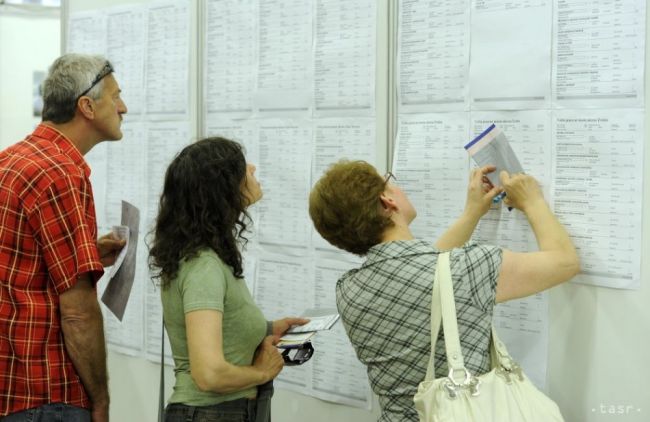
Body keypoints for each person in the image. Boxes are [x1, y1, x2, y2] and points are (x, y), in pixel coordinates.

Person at [309, 160, 580, 422]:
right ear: (387, 201)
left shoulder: (348, 289)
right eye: (390, 183)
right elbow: (564, 262)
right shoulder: (467, 268)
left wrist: (471, 215)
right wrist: (533, 201)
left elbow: (431, 274)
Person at [0, 53, 128, 422]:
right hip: (45, 392)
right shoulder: (61, 174)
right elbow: (77, 312)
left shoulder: (14, 159)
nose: (123, 107)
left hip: (14, 386)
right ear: (86, 106)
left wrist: (85, 251)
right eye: (116, 96)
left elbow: (22, 263)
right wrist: (100, 399)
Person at [148, 137, 308, 422]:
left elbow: (218, 329)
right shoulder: (203, 266)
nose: (253, 168)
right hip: (212, 413)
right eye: (241, 168)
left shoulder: (202, 256)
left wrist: (269, 328)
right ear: (222, 189)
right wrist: (262, 372)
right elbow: (209, 374)